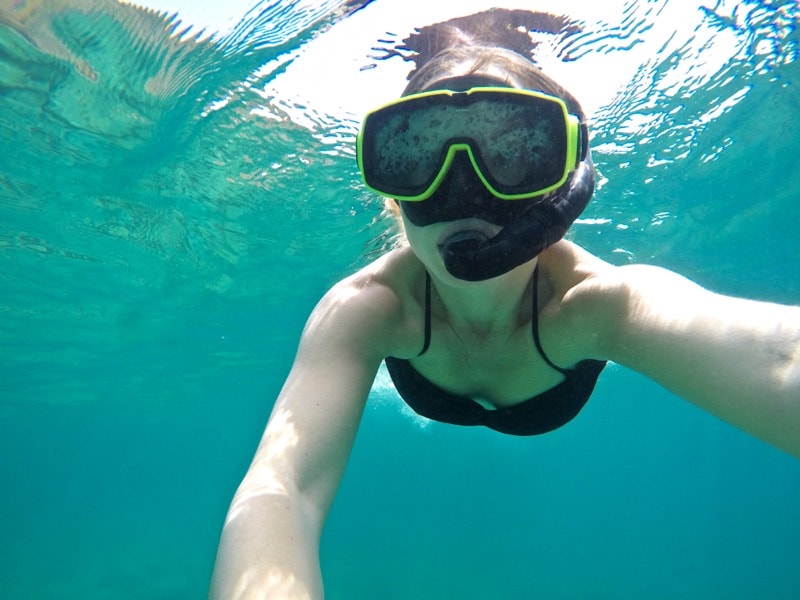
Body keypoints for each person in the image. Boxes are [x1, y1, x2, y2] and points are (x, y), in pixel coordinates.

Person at [209, 9, 800, 599]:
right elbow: (280, 489)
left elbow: (780, 360)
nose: (462, 187)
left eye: (516, 149)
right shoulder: (372, 308)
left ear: (565, 187)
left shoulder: (600, 303)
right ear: (390, 196)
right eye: (415, 152)